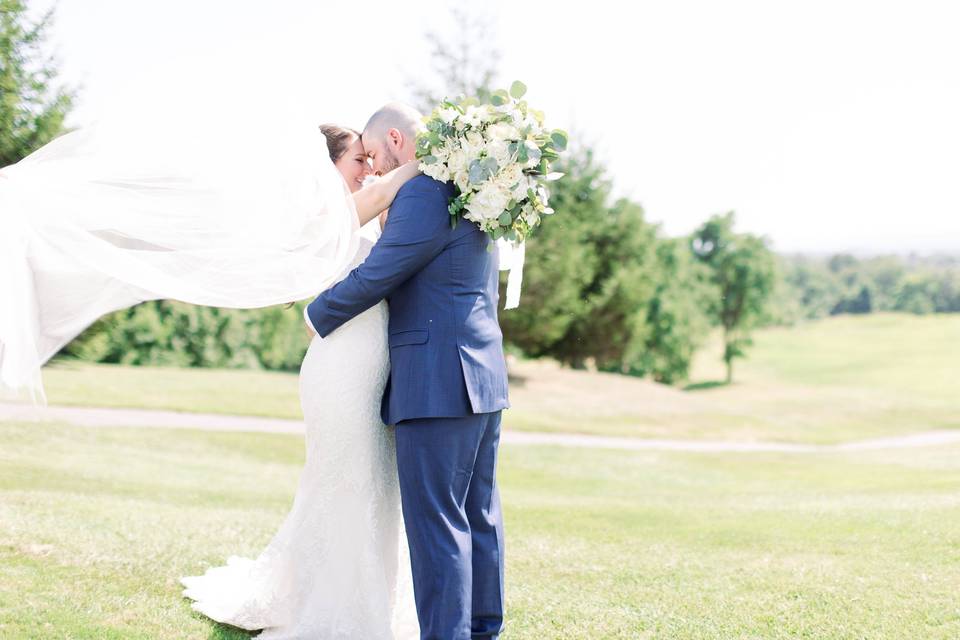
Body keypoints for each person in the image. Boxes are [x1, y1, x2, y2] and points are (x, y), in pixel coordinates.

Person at [305, 103, 509, 640]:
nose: (371, 166)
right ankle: (483, 631)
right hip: (482, 377)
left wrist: (316, 313)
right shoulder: (470, 187)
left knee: (437, 526)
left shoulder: (423, 192)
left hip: (437, 381)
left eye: (372, 153)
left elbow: (381, 272)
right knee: (478, 517)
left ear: (395, 138)